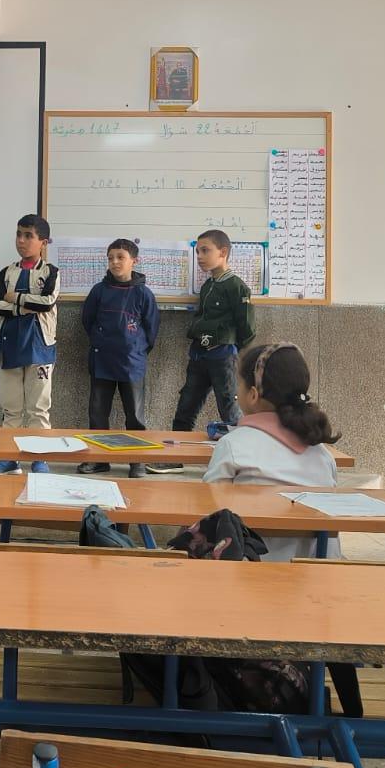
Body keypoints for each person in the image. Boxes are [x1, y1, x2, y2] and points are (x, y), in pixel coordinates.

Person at [202, 343, 341, 561]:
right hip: (316, 571)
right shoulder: (322, 455)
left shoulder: (233, 446)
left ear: (253, 394)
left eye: (240, 383)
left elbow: (208, 511)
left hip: (249, 573)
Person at [152, 228, 256, 474]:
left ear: (223, 252)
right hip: (199, 355)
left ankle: (241, 462)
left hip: (223, 357)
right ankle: (174, 459)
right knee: (185, 407)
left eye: (205, 251)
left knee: (229, 410)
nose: (199, 256)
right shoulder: (208, 285)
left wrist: (237, 354)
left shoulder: (237, 287)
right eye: (197, 251)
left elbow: (247, 328)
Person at [76, 239, 159, 478]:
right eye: (111, 257)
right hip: (102, 360)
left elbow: (151, 330)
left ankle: (137, 462)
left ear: (134, 261)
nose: (114, 262)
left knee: (135, 416)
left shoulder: (143, 294)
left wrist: (136, 349)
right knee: (98, 413)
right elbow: (88, 321)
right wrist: (100, 341)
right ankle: (99, 460)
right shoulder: (99, 291)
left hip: (132, 363)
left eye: (120, 257)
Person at [0, 214, 60, 475]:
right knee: (11, 408)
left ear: (43, 242)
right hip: (10, 346)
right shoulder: (7, 272)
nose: (21, 240)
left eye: (29, 236)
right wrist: (22, 307)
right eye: (19, 234)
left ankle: (40, 459)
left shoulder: (51, 272)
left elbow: (46, 302)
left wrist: (13, 298)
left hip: (40, 346)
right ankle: (10, 458)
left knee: (38, 408)